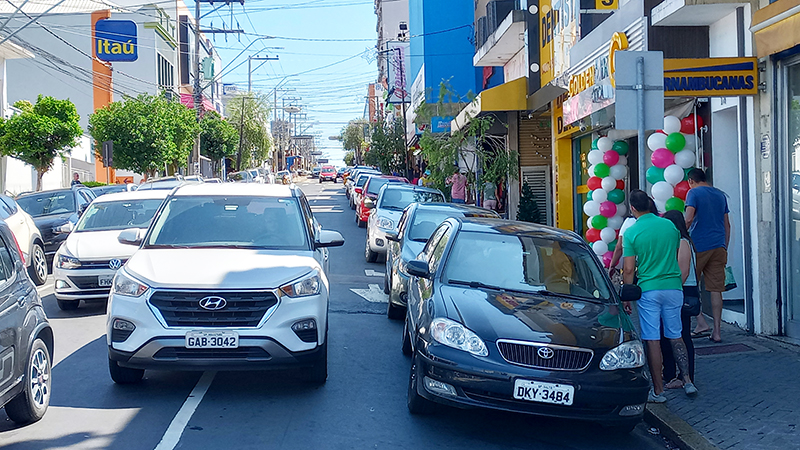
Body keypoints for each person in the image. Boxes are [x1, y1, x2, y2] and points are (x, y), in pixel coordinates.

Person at [623, 190, 697, 403]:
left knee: (652, 338)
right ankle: (687, 380)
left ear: (633, 208)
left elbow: (628, 269)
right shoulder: (670, 227)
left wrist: (627, 295)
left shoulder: (632, 232)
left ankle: (658, 391)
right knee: (676, 334)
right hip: (673, 287)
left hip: (648, 289)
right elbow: (673, 254)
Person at [684, 168, 730, 343]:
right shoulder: (720, 195)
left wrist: (680, 235)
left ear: (690, 181)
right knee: (716, 289)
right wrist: (724, 245)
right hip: (719, 245)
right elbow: (727, 225)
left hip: (699, 245)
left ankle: (701, 322)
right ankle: (717, 331)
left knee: (688, 285)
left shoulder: (693, 193)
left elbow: (688, 219)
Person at [660, 210, 697, 389]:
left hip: (681, 290)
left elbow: (684, 271)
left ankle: (682, 376)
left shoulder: (682, 242)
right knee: (678, 334)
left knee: (679, 335)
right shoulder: (683, 241)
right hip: (680, 289)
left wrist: (673, 291)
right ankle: (680, 375)